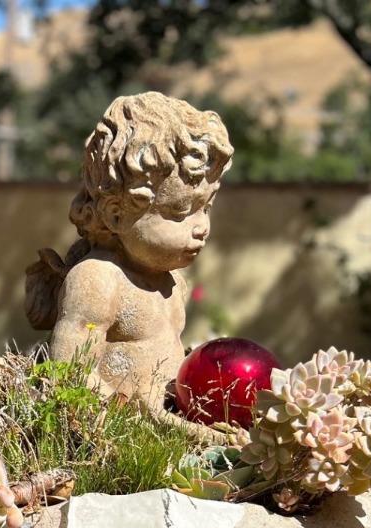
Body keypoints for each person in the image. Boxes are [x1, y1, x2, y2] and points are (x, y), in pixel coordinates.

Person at [26, 93, 234, 416]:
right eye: (180, 212)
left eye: (205, 208)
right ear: (116, 214)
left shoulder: (173, 283)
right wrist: (127, 411)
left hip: (167, 430)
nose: (201, 227)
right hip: (113, 440)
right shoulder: (97, 280)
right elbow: (68, 373)